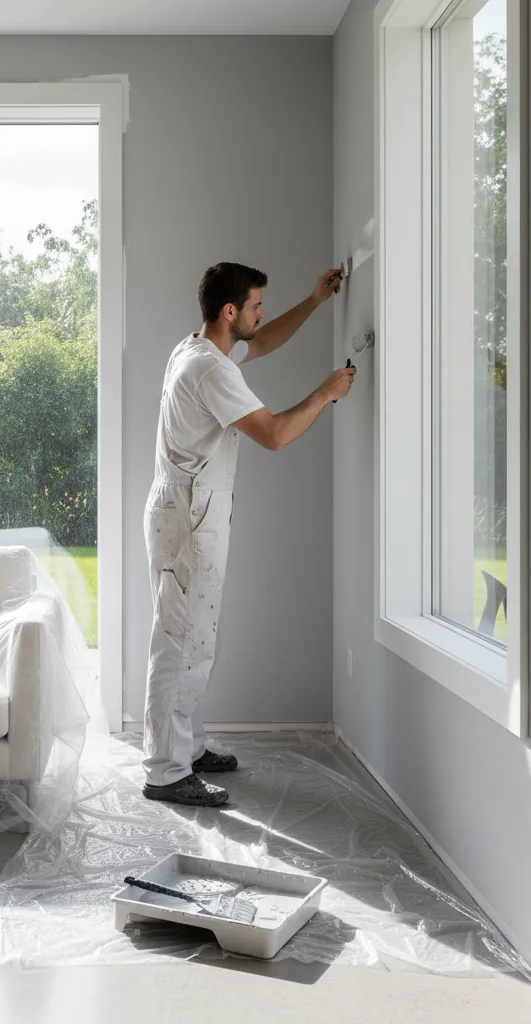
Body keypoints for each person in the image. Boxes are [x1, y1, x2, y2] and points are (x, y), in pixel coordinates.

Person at [142, 262, 357, 807]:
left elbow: (262, 342)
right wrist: (326, 393)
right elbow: (277, 435)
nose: (261, 315)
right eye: (256, 306)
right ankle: (165, 772)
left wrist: (313, 302)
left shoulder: (197, 349)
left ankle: (185, 748)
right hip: (189, 516)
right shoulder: (211, 371)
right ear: (230, 311)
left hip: (188, 508)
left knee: (196, 636)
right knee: (180, 639)